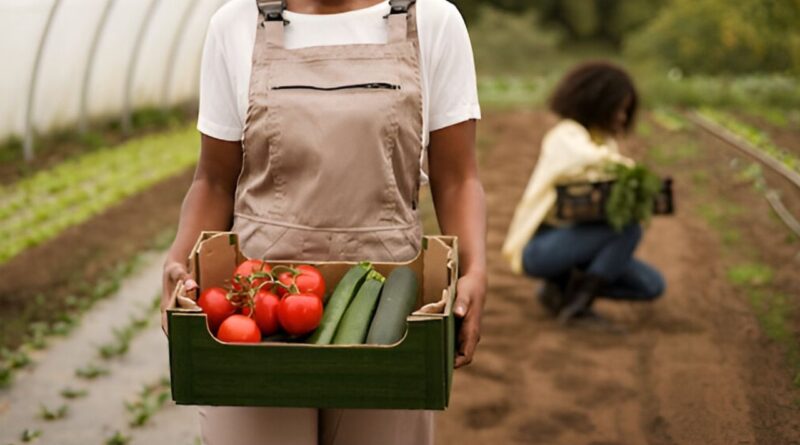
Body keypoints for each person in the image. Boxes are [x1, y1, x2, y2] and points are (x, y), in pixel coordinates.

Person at [159, 0, 486, 444]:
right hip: (258, 307)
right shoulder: (234, 24)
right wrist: (179, 259)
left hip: (386, 312)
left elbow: (457, 178)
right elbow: (214, 179)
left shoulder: (432, 21)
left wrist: (475, 270)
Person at [502, 61, 665, 325]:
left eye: (626, 111)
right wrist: (633, 171)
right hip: (540, 246)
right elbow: (584, 160)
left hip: (577, 241)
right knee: (629, 229)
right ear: (598, 101)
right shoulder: (566, 135)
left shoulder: (604, 143)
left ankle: (561, 289)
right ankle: (578, 307)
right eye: (619, 109)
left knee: (651, 284)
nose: (623, 118)